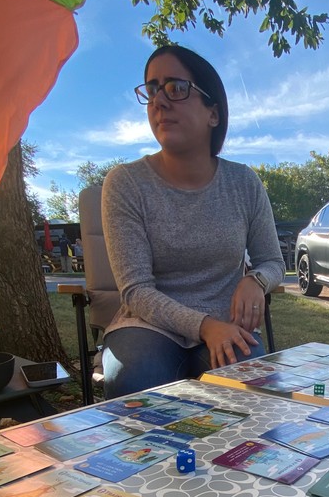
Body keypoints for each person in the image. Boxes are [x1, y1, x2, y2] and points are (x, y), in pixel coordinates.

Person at [101, 45, 285, 399]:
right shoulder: (125, 183)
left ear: (213, 113)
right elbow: (136, 290)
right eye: (153, 89)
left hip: (226, 326)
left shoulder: (243, 183)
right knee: (133, 378)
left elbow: (273, 261)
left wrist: (256, 280)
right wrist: (204, 326)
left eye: (176, 88)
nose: (159, 101)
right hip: (148, 325)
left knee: (252, 385)